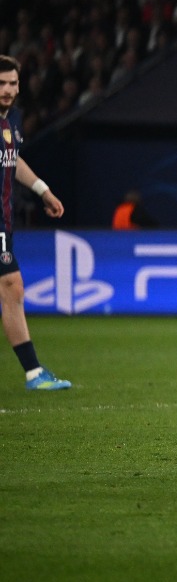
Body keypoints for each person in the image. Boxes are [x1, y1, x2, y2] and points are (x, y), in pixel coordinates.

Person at [0, 54, 73, 391]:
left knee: (12, 288)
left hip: (4, 220)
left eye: (13, 83)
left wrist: (43, 190)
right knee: (12, 285)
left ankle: (33, 373)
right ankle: (33, 372)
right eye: (1, 84)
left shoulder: (12, 119)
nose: (8, 90)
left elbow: (13, 161)